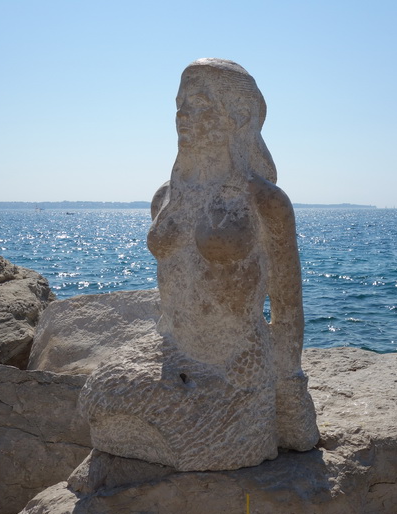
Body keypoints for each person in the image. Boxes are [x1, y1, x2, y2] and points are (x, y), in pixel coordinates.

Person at [79, 59, 317, 472]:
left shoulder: (263, 201)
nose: (183, 116)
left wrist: (289, 390)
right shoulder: (165, 198)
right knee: (98, 396)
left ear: (239, 116)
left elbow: (287, 306)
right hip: (175, 355)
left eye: (199, 104)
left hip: (237, 363)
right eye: (179, 105)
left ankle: (228, 430)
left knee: (202, 443)